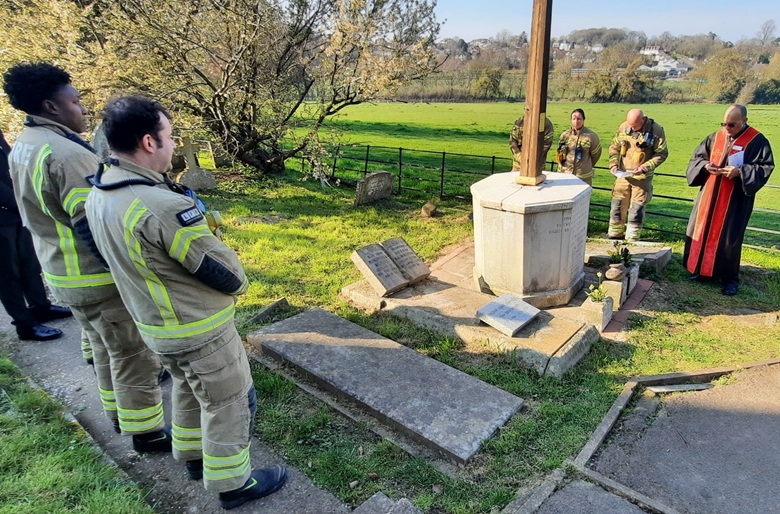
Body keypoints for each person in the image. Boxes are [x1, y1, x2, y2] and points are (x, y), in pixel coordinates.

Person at [86, 95, 287, 510]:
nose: (175, 145)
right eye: (170, 136)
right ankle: (234, 484)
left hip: (157, 327)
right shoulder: (160, 206)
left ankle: (195, 458)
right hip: (198, 328)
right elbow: (229, 275)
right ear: (147, 142)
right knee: (230, 403)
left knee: (189, 390)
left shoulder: (102, 191)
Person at [3, 62, 170, 450]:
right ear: (52, 106)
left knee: (104, 346)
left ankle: (116, 415)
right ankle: (146, 432)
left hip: (61, 271)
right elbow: (89, 223)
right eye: (75, 101)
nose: (82, 109)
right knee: (132, 354)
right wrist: (127, 270)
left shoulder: (27, 142)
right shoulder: (66, 155)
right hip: (95, 277)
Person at [683, 104, 774, 296]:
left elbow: (765, 167)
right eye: (724, 123)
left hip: (734, 201)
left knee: (728, 240)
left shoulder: (757, 141)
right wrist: (706, 166)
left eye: (731, 124)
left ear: (744, 121)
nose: (727, 128)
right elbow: (697, 158)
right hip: (709, 197)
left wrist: (740, 172)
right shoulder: (715, 137)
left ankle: (729, 279)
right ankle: (702, 271)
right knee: (704, 231)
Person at [0, 128, 72, 341]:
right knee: (7, 274)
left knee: (29, 263)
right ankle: (24, 324)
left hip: (16, 213)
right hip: (5, 214)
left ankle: (41, 307)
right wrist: (19, 201)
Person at [607, 109, 668, 241]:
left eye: (635, 126)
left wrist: (644, 168)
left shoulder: (656, 131)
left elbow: (662, 154)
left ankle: (632, 238)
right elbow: (614, 147)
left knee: (636, 208)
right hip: (623, 175)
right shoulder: (624, 127)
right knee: (617, 205)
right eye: (630, 125)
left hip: (642, 178)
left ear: (643, 119)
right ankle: (614, 235)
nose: (632, 128)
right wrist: (613, 164)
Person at [556, 108, 602, 186]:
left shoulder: (591, 136)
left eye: (579, 119)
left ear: (583, 120)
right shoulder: (565, 135)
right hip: (565, 174)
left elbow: (596, 155)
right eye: (574, 119)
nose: (576, 121)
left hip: (583, 177)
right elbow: (559, 154)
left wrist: (586, 165)